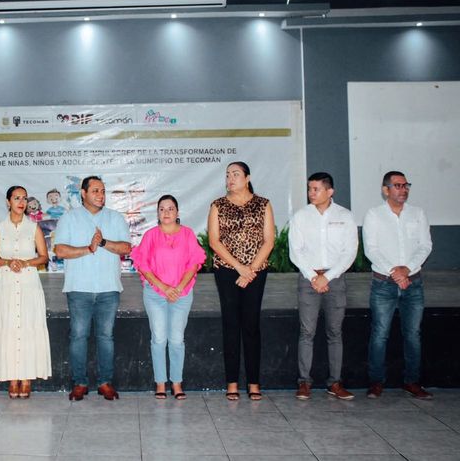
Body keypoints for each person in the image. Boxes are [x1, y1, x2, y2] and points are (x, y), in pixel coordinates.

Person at [55, 175, 131, 401]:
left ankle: (105, 382)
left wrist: (104, 243)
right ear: (83, 193)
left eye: (103, 191)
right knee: (78, 336)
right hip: (79, 289)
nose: (101, 195)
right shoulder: (69, 218)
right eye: (96, 191)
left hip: (109, 289)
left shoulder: (115, 218)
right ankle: (80, 383)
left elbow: (126, 247)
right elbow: (60, 251)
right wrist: (88, 249)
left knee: (105, 337)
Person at [207, 161, 275, 401]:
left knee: (251, 325)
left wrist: (251, 270)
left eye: (235, 174)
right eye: (227, 175)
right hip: (227, 271)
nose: (230, 178)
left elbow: (269, 240)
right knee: (231, 324)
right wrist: (239, 268)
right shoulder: (218, 205)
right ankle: (232, 382)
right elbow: (214, 242)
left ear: (247, 178)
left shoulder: (263, 204)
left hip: (256, 272)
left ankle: (254, 383)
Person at [363, 171, 433, 400]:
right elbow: (371, 249)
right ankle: (376, 382)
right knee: (380, 333)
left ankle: (412, 382)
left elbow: (425, 246)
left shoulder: (417, 213)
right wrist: (395, 272)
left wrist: (407, 270)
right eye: (397, 185)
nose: (403, 190)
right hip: (383, 283)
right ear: (386, 190)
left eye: (406, 185)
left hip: (413, 283)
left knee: (413, 334)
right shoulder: (374, 215)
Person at [289, 172, 358, 401]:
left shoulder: (345, 216)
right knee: (306, 332)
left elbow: (350, 252)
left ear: (330, 191)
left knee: (334, 333)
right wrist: (313, 276)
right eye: (309, 188)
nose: (311, 193)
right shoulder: (300, 216)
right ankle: (304, 382)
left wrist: (327, 277)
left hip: (335, 280)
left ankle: (335, 383)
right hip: (308, 280)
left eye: (316, 189)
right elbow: (295, 251)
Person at [130, 194, 205, 400]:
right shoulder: (150, 236)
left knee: (177, 340)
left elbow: (194, 263)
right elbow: (142, 266)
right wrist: (164, 287)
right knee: (159, 339)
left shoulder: (188, 234)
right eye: (162, 209)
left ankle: (177, 383)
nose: (166, 213)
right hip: (155, 294)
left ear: (178, 212)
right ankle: (161, 383)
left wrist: (179, 287)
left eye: (170, 208)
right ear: (157, 213)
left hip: (182, 294)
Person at [0, 186, 52, 398]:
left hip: (29, 284)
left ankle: (26, 378)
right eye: (16, 198)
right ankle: (12, 379)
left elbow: (43, 257)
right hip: (6, 284)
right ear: (8, 202)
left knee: (28, 328)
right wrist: (7, 261)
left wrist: (26, 262)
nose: (21, 202)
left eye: (24, 198)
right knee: (9, 328)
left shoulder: (34, 228)